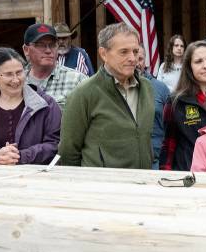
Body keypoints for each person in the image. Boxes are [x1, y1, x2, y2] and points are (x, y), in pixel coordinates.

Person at [58, 23, 155, 169]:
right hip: (102, 187)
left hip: (143, 182)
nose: (132, 58)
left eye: (135, 52)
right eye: (124, 52)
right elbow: (68, 151)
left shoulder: (147, 88)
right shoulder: (84, 93)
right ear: (103, 54)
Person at [0, 47, 61, 165]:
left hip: (36, 178)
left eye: (19, 72)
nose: (16, 80)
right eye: (9, 74)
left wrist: (20, 156)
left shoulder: (46, 105)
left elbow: (55, 144)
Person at [160, 41, 206, 171]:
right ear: (189, 66)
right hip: (188, 175)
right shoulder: (176, 101)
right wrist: (167, 176)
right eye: (198, 61)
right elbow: (168, 144)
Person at [22, 23, 87, 110]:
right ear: (26, 50)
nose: (48, 50)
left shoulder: (78, 80)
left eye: (52, 45)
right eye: (41, 45)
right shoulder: (17, 82)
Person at [137, 49, 171, 169]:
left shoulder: (161, 89)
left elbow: (170, 126)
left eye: (140, 59)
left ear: (145, 61)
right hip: (124, 161)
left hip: (155, 160)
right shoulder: (116, 88)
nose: (136, 62)